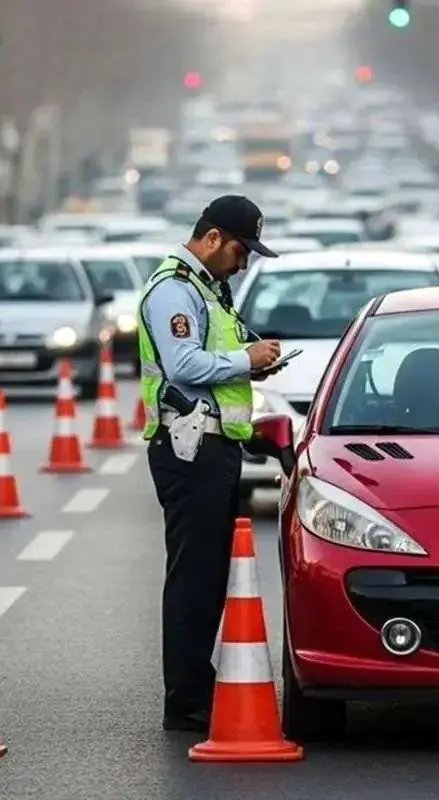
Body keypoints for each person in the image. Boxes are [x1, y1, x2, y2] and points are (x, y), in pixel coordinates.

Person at [136, 195, 285, 733]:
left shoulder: (207, 289)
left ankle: (196, 684)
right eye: (243, 250)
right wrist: (245, 360)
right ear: (214, 237)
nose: (244, 263)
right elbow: (182, 364)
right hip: (187, 448)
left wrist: (252, 365)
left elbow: (211, 361)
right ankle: (187, 701)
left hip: (211, 447)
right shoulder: (175, 289)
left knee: (207, 574)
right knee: (194, 577)